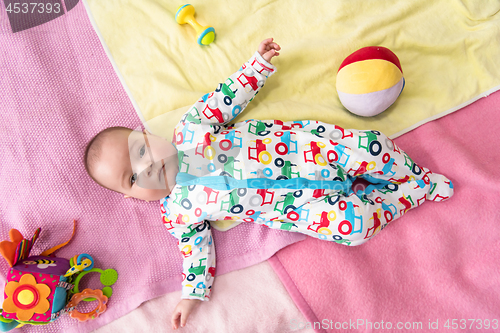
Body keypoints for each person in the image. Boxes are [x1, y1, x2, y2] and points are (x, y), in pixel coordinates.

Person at [83, 38, 454, 329]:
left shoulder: (192, 129)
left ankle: (412, 174)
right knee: (354, 228)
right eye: (132, 178)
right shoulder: (177, 214)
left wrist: (257, 66)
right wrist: (192, 294)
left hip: (313, 151)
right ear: (133, 197)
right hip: (302, 208)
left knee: (373, 147)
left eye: (140, 150)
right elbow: (195, 253)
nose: (147, 168)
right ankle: (411, 194)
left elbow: (227, 97)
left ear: (149, 135)